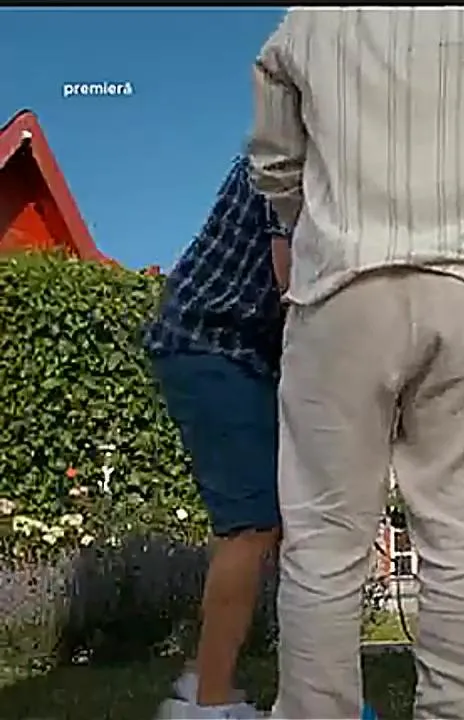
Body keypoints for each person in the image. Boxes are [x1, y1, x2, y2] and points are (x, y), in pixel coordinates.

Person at [247, 7, 464, 720]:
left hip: (339, 295)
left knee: (324, 541)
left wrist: (324, 235)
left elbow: (274, 167)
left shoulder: (303, 26)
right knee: (462, 539)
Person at [144, 155, 291, 720]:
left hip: (231, 348)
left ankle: (204, 676)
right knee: (251, 524)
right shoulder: (298, 146)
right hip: (212, 343)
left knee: (273, 523)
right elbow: (294, 282)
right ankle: (208, 704)